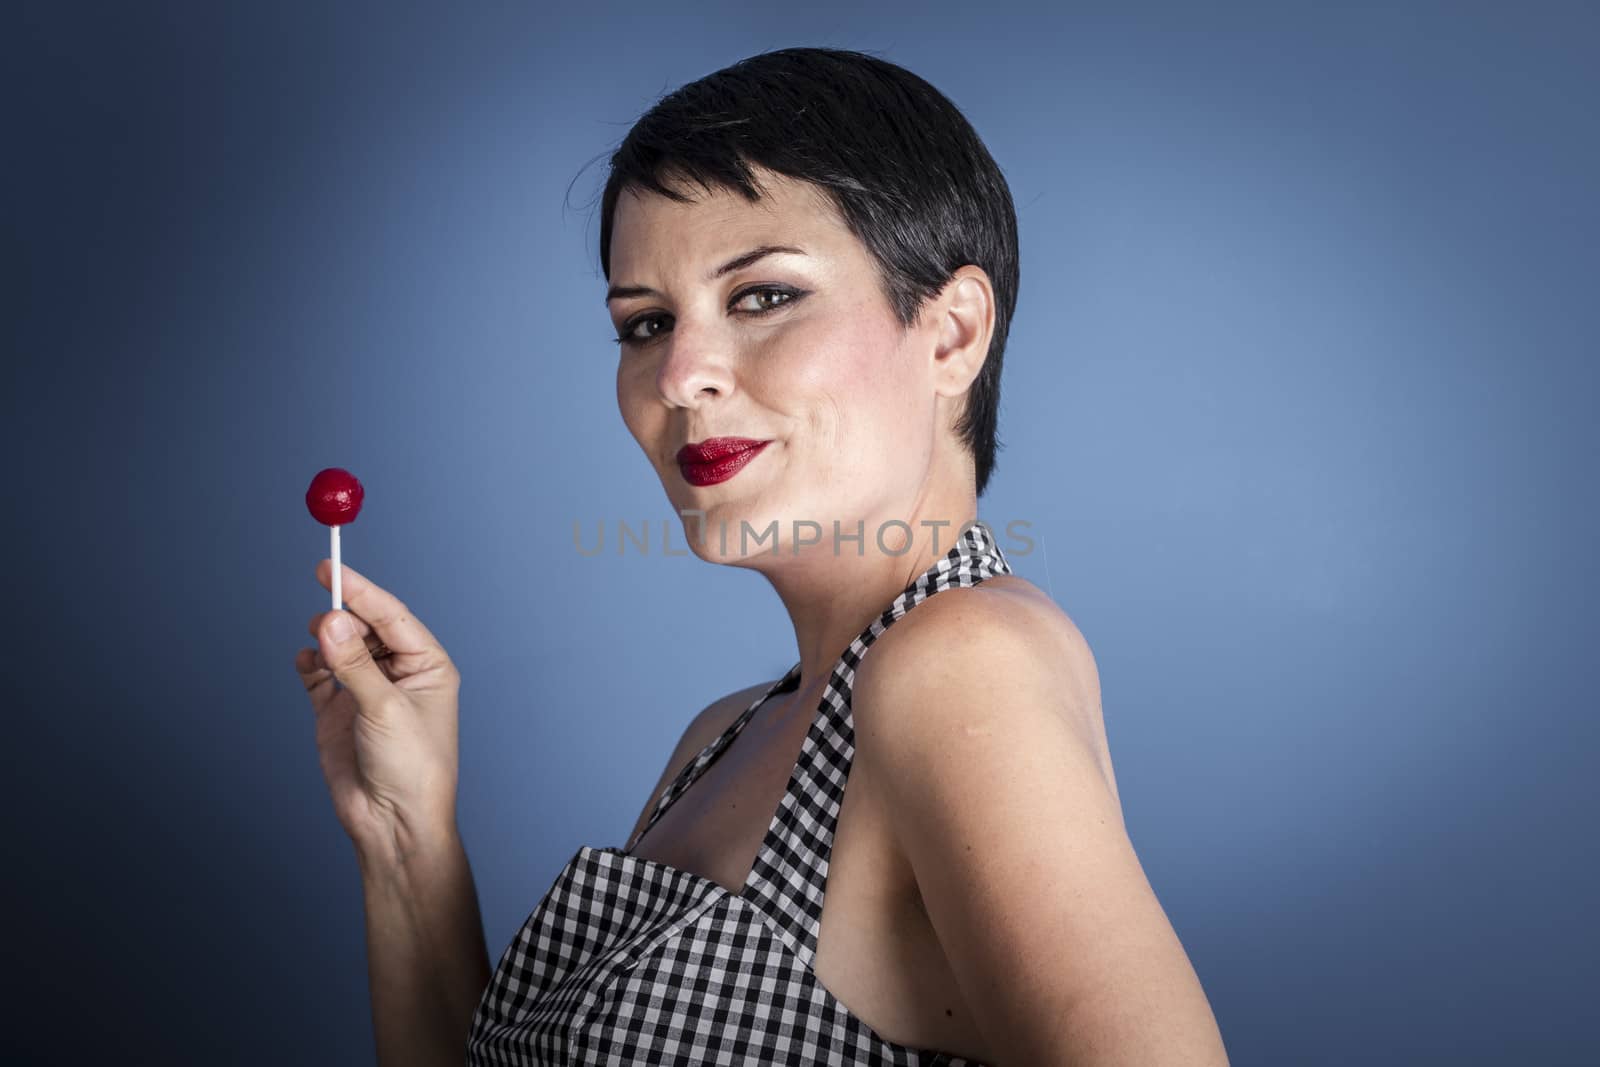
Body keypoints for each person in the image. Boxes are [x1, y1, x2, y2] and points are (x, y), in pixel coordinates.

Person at [294, 46, 1230, 1066]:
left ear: (952, 333)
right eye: (645, 322)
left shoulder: (961, 662)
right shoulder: (728, 733)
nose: (681, 373)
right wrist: (404, 833)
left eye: (762, 296)